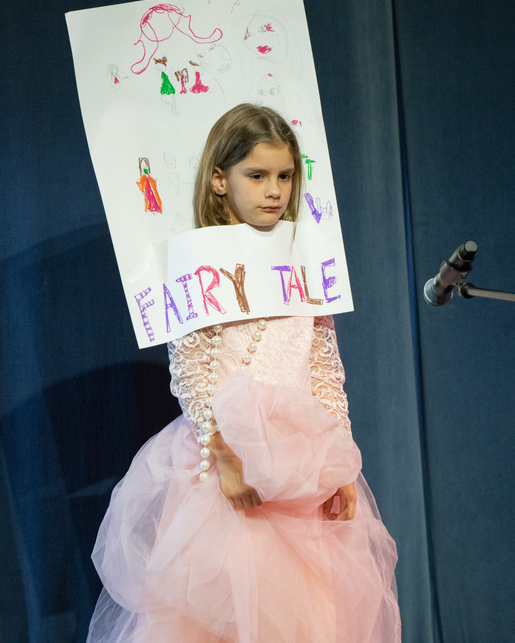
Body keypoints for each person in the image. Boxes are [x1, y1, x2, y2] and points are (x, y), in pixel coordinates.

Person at [87, 104, 401, 642]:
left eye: (284, 176)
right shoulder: (199, 260)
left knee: (307, 617)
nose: (274, 191)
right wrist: (223, 453)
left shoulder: (302, 259)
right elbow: (191, 368)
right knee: (226, 614)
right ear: (219, 179)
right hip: (227, 467)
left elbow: (324, 366)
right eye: (256, 176)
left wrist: (341, 460)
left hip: (299, 473)